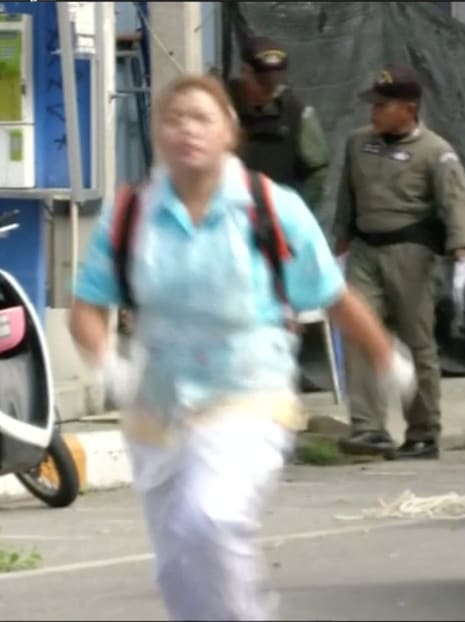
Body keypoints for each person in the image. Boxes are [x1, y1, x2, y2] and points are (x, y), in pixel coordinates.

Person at [68, 74, 415, 621]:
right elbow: (87, 306)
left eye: (201, 117)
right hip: (156, 410)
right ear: (156, 132)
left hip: (247, 396)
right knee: (178, 561)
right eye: (174, 117)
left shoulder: (269, 208)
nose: (187, 129)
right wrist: (108, 363)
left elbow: (333, 295)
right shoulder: (133, 213)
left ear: (229, 131)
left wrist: (383, 357)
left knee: (211, 517)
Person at [332, 65, 465, 460]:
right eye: (373, 104)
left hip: (411, 254)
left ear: (408, 108)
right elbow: (347, 198)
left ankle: (423, 431)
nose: (373, 112)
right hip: (365, 250)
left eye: (383, 105)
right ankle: (367, 427)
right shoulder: (358, 144)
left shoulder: (435, 152)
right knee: (361, 333)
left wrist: (462, 256)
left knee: (418, 343)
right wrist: (339, 247)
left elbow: (455, 203)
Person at [227, 36, 329, 214]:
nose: (270, 89)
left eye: (275, 83)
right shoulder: (219, 107)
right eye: (263, 83)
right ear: (245, 72)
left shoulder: (296, 113)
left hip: (275, 221)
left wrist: (297, 213)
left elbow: (317, 171)